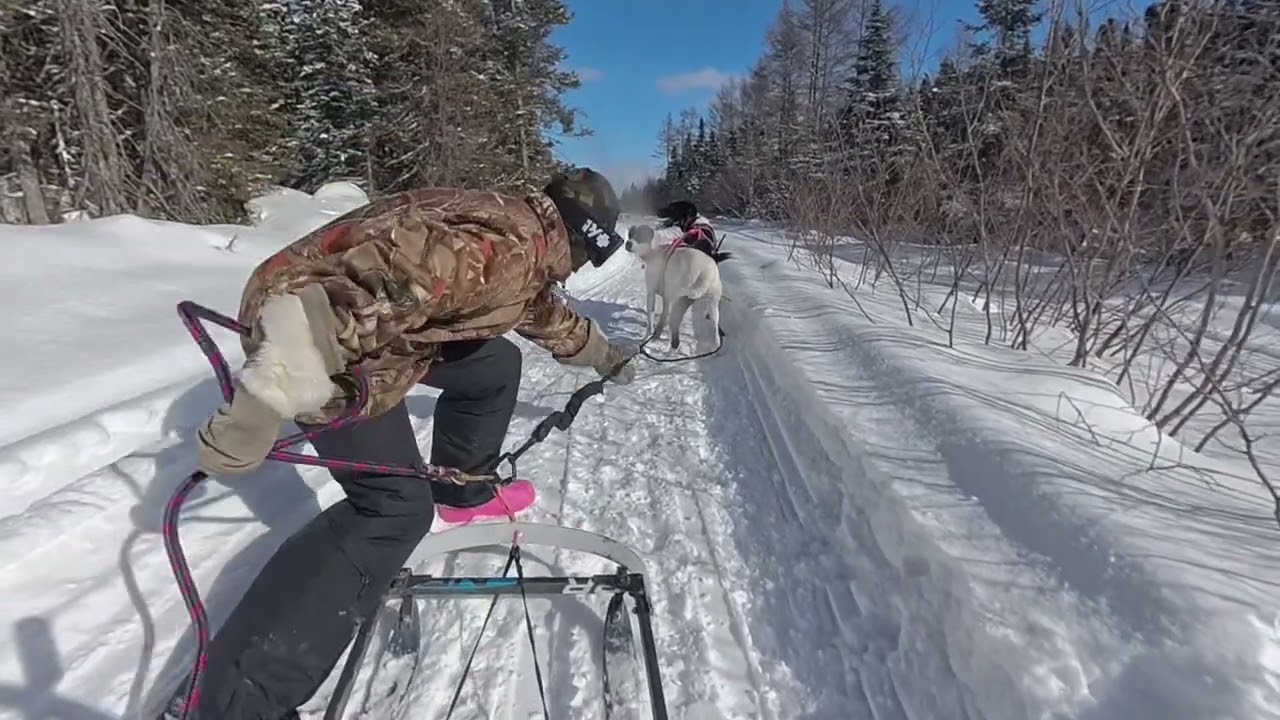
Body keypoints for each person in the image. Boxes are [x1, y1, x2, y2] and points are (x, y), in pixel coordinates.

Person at [165, 168, 636, 719]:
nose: (579, 270)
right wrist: (263, 401)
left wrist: (603, 353)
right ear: (580, 237)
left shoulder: (522, 241)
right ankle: (227, 703)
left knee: (494, 362)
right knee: (391, 510)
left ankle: (463, 493)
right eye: (587, 256)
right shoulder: (502, 252)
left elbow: (536, 310)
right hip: (309, 335)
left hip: (369, 329)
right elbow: (349, 299)